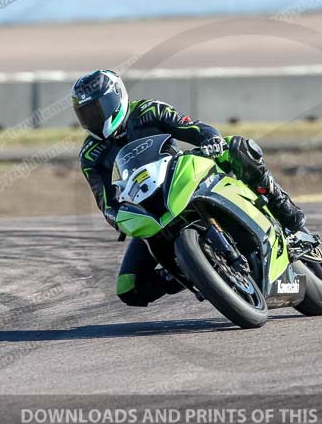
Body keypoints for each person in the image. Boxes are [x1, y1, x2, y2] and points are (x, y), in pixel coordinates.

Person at [72, 69, 306, 307]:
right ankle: (191, 272)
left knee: (237, 147)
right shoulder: (91, 154)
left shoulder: (149, 110)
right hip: (151, 211)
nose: (93, 118)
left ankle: (280, 205)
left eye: (96, 109)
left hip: (183, 178)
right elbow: (106, 203)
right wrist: (119, 217)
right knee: (129, 288)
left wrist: (210, 139)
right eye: (85, 114)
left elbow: (193, 128)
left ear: (116, 98)